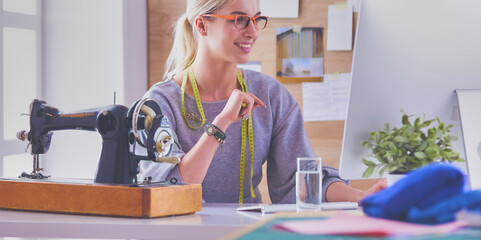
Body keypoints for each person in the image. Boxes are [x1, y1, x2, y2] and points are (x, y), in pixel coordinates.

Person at [140, 0, 386, 204]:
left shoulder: (270, 95)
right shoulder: (158, 104)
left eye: (256, 19)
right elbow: (171, 186)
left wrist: (363, 198)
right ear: (203, 25)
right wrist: (222, 122)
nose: (253, 31)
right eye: (239, 19)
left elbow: (302, 179)